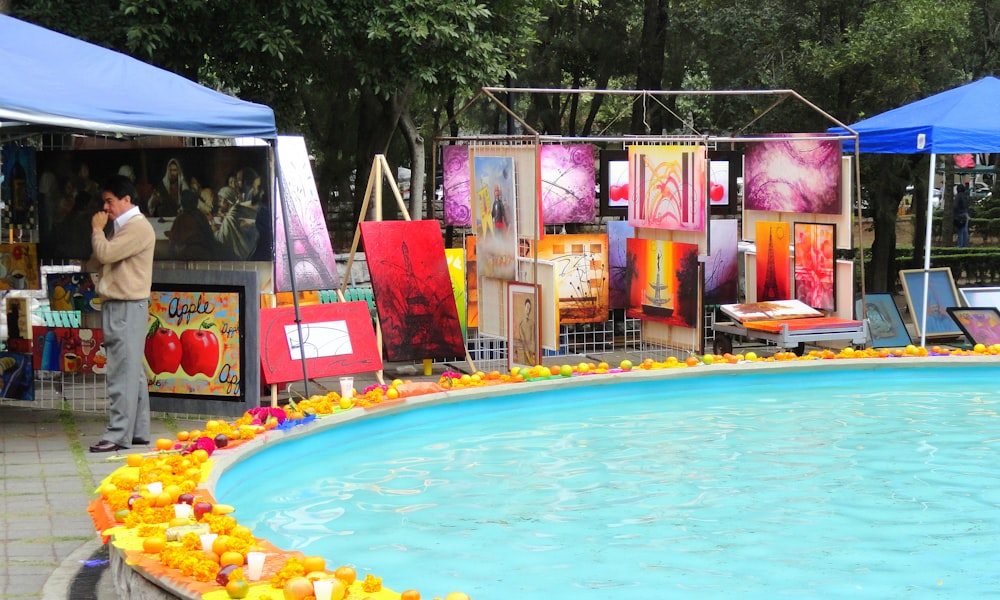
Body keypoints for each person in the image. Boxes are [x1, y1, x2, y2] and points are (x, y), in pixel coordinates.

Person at [87, 175, 156, 453]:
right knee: (132, 371)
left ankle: (117, 434)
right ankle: (137, 431)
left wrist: (96, 230)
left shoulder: (136, 228)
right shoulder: (128, 226)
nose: (106, 208)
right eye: (104, 202)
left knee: (121, 372)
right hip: (126, 305)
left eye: (110, 201)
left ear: (127, 199)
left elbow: (105, 254)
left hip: (126, 306)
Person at [954, 183, 970, 247]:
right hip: (965, 213)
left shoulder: (958, 196)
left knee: (960, 231)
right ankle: (965, 245)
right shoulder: (965, 196)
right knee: (965, 231)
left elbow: (955, 206)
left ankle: (960, 245)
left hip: (960, 214)